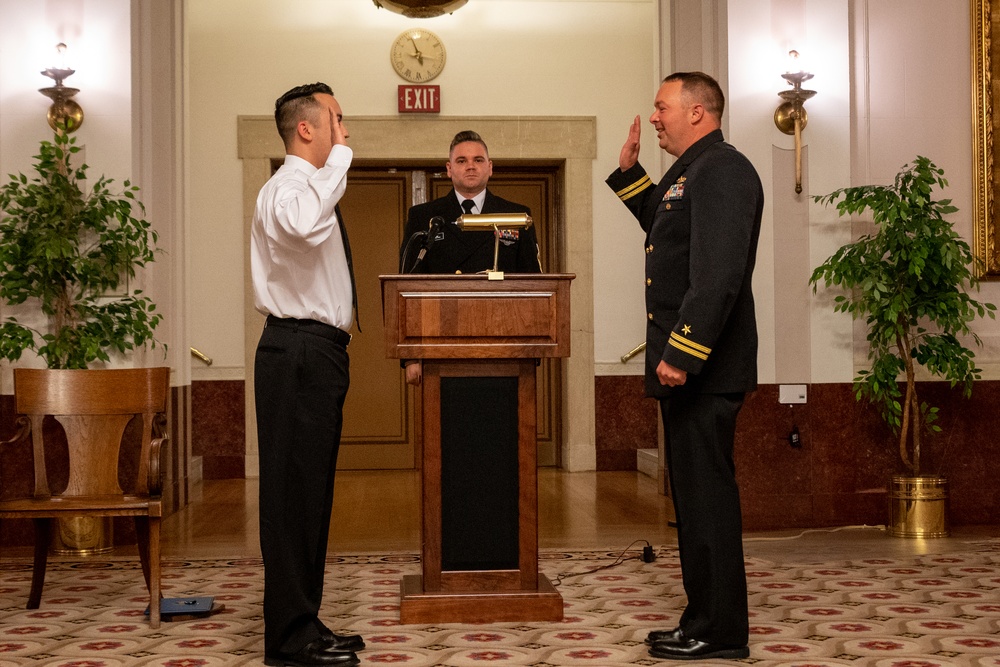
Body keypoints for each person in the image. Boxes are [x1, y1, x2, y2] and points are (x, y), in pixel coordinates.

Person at [606, 71, 762, 661]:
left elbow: (717, 272)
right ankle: (701, 618)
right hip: (692, 367)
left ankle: (721, 632)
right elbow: (665, 227)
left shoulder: (724, 169)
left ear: (698, 112)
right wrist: (629, 175)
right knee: (692, 502)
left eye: (662, 106)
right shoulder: (690, 172)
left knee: (707, 501)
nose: (654, 116)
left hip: (705, 368)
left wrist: (682, 351)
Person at [250, 82, 364, 667]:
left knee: (310, 495)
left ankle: (305, 622)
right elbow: (300, 227)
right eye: (337, 122)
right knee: (292, 497)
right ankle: (290, 639)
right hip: (296, 351)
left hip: (315, 354)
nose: (345, 133)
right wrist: (340, 160)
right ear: (307, 129)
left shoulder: (306, 186)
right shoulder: (289, 186)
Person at [400, 130, 541, 386]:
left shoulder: (516, 215)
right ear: (449, 169)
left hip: (504, 345)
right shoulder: (425, 217)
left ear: (490, 168)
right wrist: (411, 356)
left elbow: (533, 284)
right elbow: (409, 287)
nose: (470, 166)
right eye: (462, 161)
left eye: (478, 160)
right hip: (440, 344)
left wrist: (531, 350)